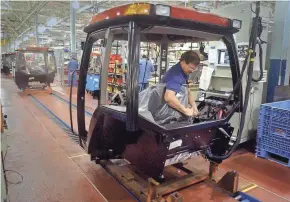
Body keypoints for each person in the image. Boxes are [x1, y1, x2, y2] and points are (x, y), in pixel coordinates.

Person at [161, 50, 200, 117]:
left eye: (194, 69)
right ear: (183, 62)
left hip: (175, 109)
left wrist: (194, 107)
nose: (192, 71)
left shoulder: (185, 72)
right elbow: (169, 97)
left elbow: (187, 90)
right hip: (165, 112)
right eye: (191, 68)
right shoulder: (176, 75)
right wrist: (186, 111)